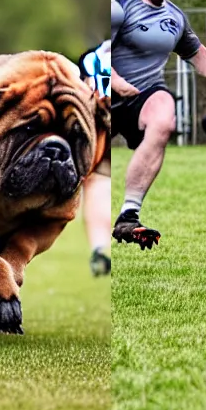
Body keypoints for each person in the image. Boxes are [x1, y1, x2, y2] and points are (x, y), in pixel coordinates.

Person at [110, 0, 206, 248]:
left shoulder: (174, 16)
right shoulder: (118, 8)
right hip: (105, 94)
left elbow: (195, 51)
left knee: (165, 116)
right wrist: (115, 81)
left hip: (144, 94)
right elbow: (94, 55)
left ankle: (129, 214)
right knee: (80, 165)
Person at [78, 40, 114, 276]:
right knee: (100, 178)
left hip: (101, 119)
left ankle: (100, 246)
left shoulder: (95, 55)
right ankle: (101, 248)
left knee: (98, 180)